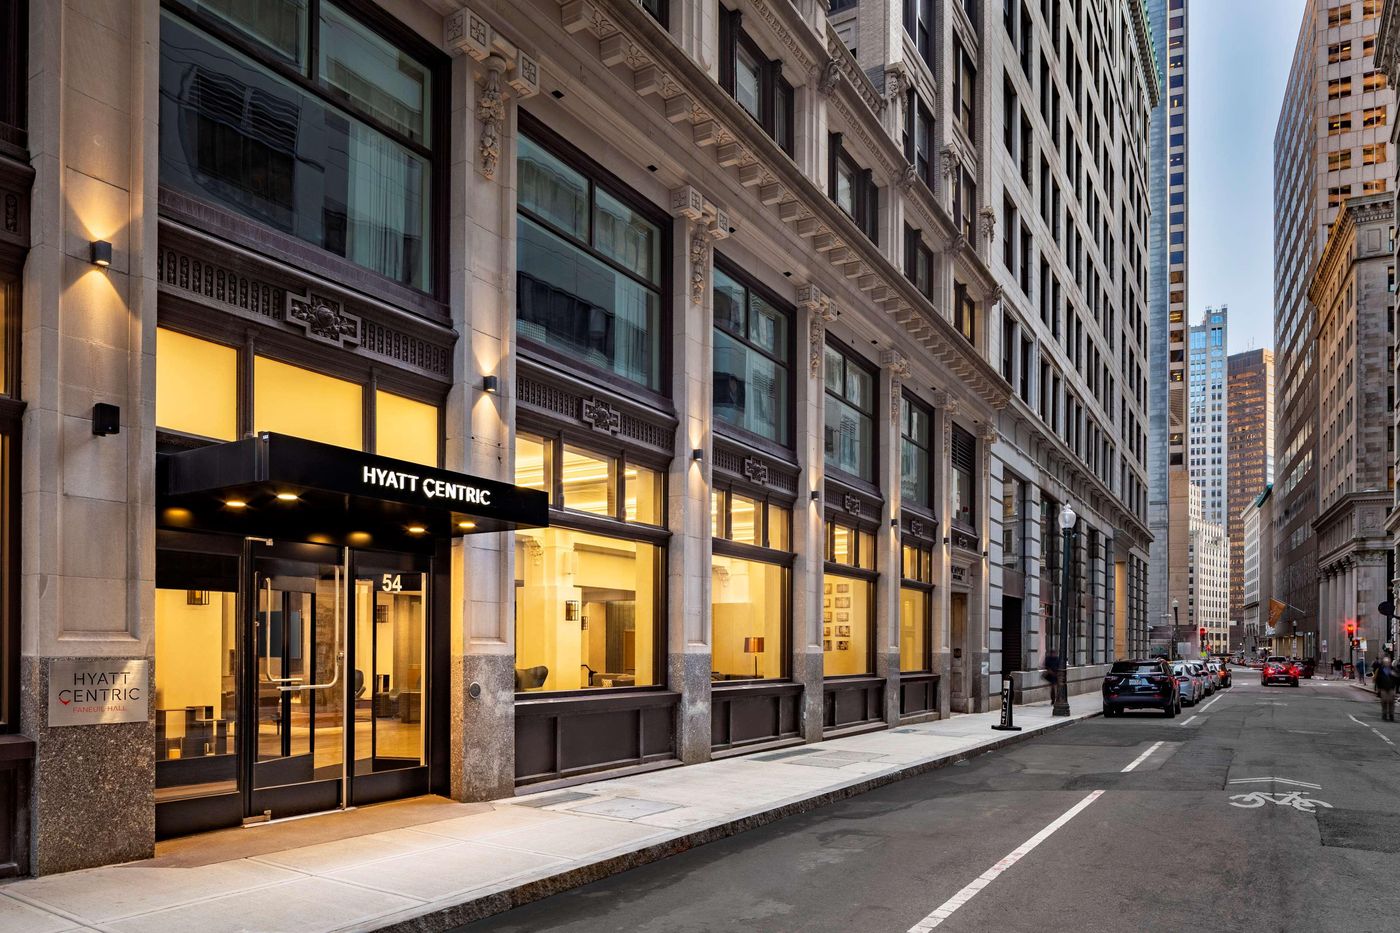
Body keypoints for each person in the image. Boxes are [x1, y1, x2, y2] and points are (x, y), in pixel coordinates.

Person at [1374, 656, 1397, 722]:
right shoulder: (1380, 669)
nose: (1387, 663)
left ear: (1390, 663)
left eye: (1388, 662)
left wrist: (1394, 675)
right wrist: (1378, 688)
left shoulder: (1392, 669)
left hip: (1391, 688)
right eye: (1385, 662)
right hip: (1383, 688)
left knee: (1391, 702)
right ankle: (1384, 715)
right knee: (1384, 702)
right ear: (1383, 663)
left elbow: (1396, 679)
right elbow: (1378, 680)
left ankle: (1391, 715)